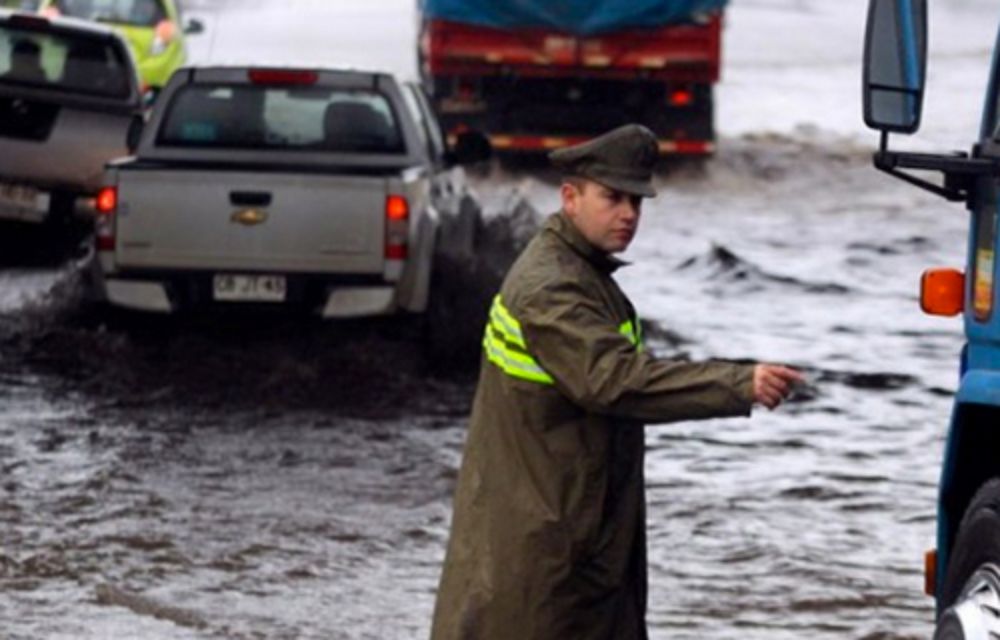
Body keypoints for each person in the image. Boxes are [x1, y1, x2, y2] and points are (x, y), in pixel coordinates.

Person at [429, 124, 804, 640]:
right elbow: (614, 380)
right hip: (546, 547)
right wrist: (738, 383)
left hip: (577, 532)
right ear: (570, 197)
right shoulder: (553, 286)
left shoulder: (582, 272)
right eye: (612, 198)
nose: (628, 214)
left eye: (636, 201)